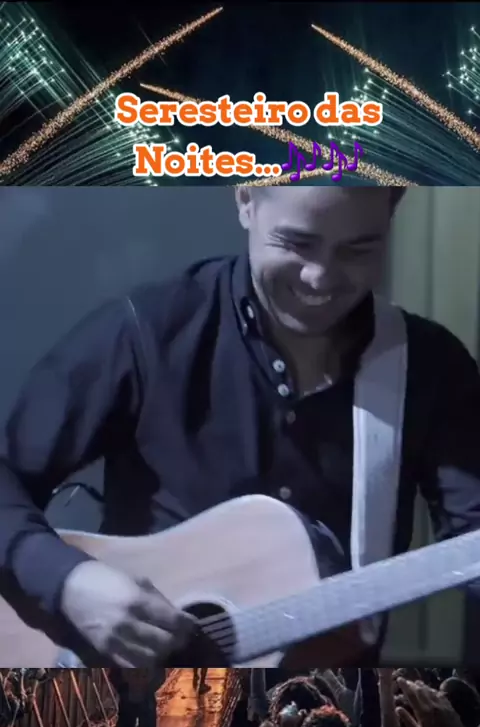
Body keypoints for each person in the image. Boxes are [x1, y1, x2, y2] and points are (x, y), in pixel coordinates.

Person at [2, 186, 480, 668]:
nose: (320, 277)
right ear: (246, 200)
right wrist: (69, 583)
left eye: (358, 250)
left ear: (393, 211)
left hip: (325, 703)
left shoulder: (431, 367)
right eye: (296, 243)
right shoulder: (149, 333)